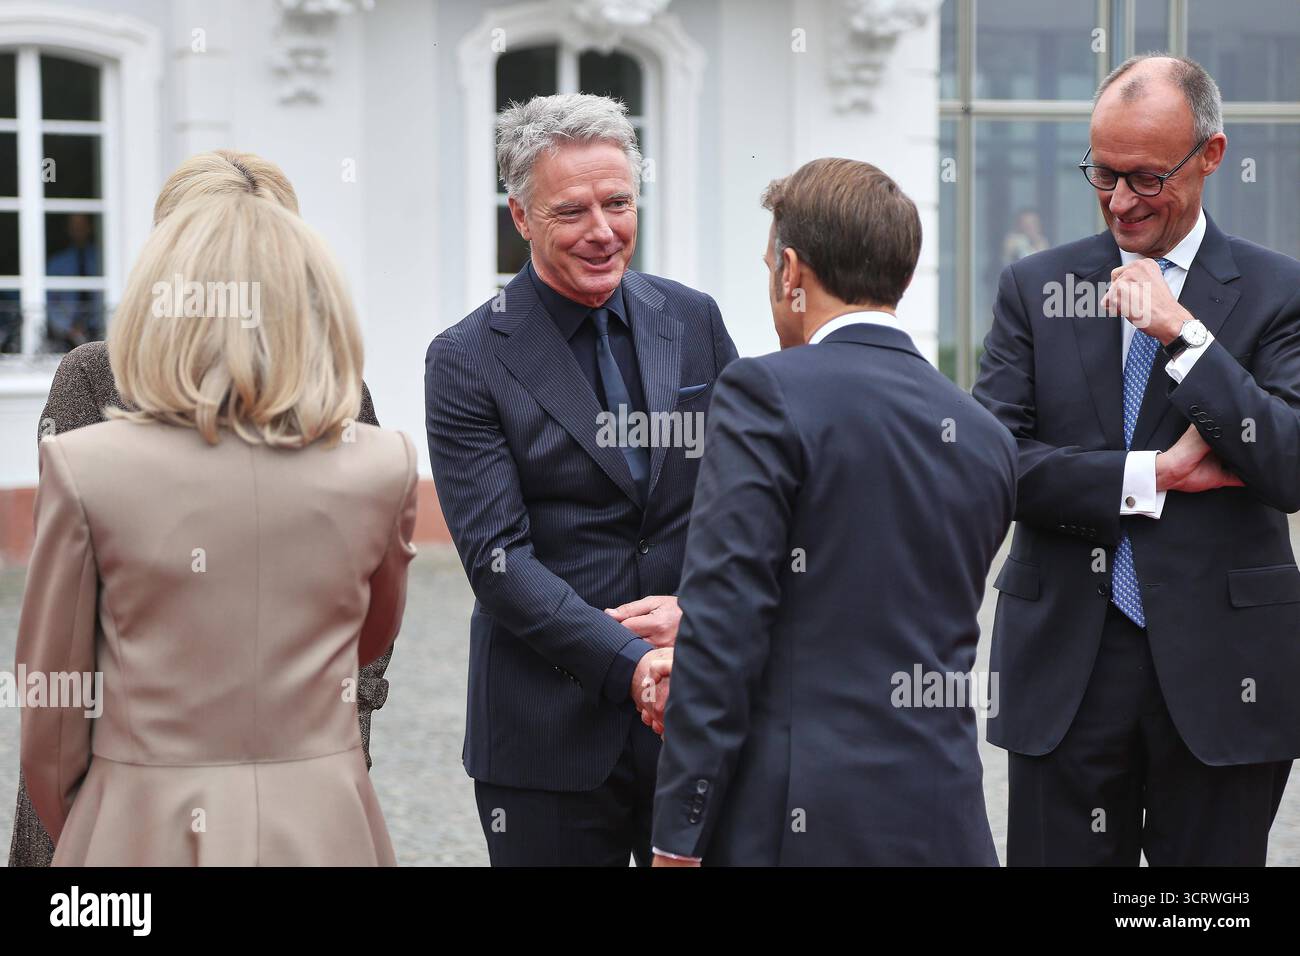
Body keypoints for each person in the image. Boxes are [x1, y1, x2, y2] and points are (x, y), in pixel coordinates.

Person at [7, 150, 392, 868]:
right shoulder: (95, 376)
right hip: (124, 770)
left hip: (297, 773)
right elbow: (70, 620)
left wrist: (342, 731)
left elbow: (367, 613)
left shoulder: (339, 391)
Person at [973, 54, 1300, 866]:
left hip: (1226, 676)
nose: (1120, 201)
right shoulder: (1034, 286)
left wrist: (1180, 335)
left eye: (1147, 178)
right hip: (1066, 671)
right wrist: (1150, 475)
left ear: (1211, 157)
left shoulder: (1278, 292)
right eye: (1103, 174)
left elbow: (1288, 464)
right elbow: (994, 463)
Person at [649, 158, 1017, 866]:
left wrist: (678, 833)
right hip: (944, 816)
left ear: (792, 272)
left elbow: (726, 626)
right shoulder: (984, 434)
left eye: (768, 268)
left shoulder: (763, 392)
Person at [425, 92, 738, 866]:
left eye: (618, 203)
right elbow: (498, 562)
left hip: (695, 716)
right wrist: (632, 664)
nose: (604, 231)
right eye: (572, 211)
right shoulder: (466, 358)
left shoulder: (694, 320)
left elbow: (746, 503)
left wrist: (696, 616)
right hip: (545, 738)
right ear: (521, 217)